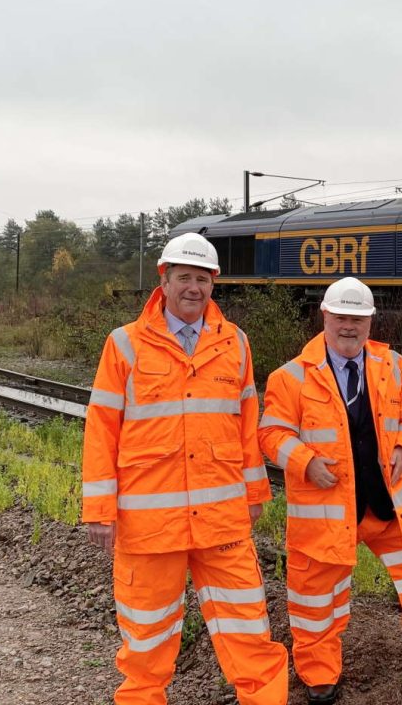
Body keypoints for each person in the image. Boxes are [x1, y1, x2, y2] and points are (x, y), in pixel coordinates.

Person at [81, 232, 288, 705]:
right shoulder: (126, 345)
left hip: (222, 522)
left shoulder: (234, 342)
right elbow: (101, 430)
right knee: (146, 647)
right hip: (149, 525)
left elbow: (246, 423)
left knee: (250, 633)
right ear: (165, 279)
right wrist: (99, 508)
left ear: (214, 284)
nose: (193, 288)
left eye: (203, 279)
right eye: (184, 277)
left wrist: (255, 494)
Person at [259, 276, 402, 705]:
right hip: (325, 510)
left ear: (370, 321)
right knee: (316, 597)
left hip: (385, 502)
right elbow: (271, 433)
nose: (349, 326)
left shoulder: (391, 365)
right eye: (341, 317)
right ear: (325, 316)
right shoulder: (290, 377)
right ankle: (319, 674)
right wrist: (304, 461)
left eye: (358, 319)